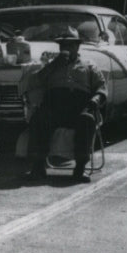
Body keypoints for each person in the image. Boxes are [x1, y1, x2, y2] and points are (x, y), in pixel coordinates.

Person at [25, 28, 107, 183]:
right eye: (63, 45)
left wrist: (96, 100)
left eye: (70, 45)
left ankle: (80, 168)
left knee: (87, 120)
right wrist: (54, 65)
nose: (66, 48)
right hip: (55, 104)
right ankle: (38, 166)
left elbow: (101, 87)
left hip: (79, 105)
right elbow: (34, 82)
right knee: (39, 118)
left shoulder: (89, 65)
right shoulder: (51, 64)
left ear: (77, 47)